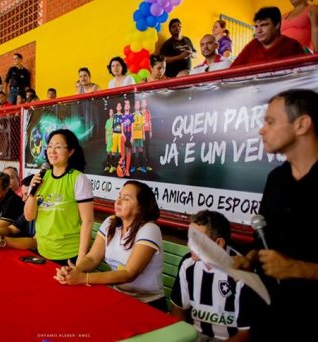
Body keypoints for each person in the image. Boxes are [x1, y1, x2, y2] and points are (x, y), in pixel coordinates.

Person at [233, 89, 318, 341]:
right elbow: (265, 238)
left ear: (302, 124)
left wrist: (299, 269)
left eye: (270, 121)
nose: (262, 130)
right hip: (269, 315)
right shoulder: (277, 179)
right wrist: (250, 259)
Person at [54, 181, 166, 310]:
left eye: (126, 199)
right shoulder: (110, 222)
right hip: (119, 296)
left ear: (141, 206)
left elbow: (129, 274)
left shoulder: (150, 229)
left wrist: (84, 278)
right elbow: (92, 258)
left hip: (147, 303)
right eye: (119, 196)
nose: (118, 202)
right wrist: (75, 271)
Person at [170, 210, 265, 341]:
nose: (189, 245)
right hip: (194, 335)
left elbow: (245, 334)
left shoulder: (241, 271)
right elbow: (178, 308)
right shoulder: (188, 264)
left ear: (219, 243)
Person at [24, 129, 94, 265]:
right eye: (50, 146)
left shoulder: (78, 179)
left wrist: (81, 257)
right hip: (42, 251)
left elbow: (88, 221)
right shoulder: (42, 177)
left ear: (70, 152)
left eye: (58, 147)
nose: (52, 151)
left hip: (69, 255)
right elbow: (29, 216)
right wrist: (31, 194)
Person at [231, 7, 305, 68]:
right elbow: (233, 69)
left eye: (264, 25)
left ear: (277, 25)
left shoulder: (292, 46)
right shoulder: (253, 45)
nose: (259, 31)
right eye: (256, 26)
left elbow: (305, 74)